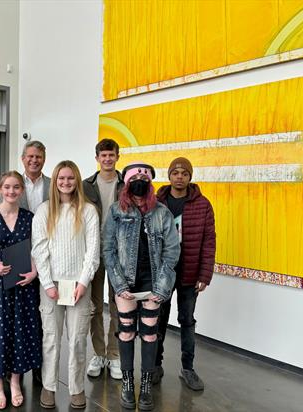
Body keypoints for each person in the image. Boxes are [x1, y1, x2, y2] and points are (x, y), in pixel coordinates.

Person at [103, 162, 180, 411]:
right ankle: (128, 384)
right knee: (126, 331)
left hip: (152, 283)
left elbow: (172, 251)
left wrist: (162, 287)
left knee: (149, 333)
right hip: (125, 282)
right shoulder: (116, 211)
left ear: (151, 183)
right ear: (126, 183)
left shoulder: (162, 213)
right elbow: (108, 250)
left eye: (144, 179)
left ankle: (145, 386)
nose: (139, 182)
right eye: (134, 178)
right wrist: (118, 283)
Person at [32, 160, 100, 410]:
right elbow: (39, 250)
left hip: (79, 286)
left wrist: (83, 282)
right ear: (55, 181)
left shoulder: (88, 211)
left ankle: (76, 388)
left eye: (71, 178)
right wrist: (47, 283)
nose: (66, 182)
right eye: (61, 178)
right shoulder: (44, 210)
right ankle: (49, 386)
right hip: (51, 285)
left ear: (77, 180)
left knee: (78, 340)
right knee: (51, 339)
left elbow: (92, 251)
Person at [0, 171, 42, 410]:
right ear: (0, 189)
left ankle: (15, 382)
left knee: (20, 331)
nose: (11, 191)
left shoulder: (30, 218)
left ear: (22, 190)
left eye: (16, 187)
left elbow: (37, 249)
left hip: (23, 284)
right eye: (7, 187)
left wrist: (34, 272)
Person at [154, 157, 216, 390]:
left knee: (187, 320)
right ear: (169, 175)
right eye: (175, 173)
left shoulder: (203, 204)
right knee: (158, 319)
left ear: (190, 176)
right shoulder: (157, 202)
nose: (179, 177)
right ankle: (155, 365)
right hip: (163, 272)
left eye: (184, 173)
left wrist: (205, 275)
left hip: (190, 273)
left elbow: (209, 241)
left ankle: (187, 369)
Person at [82, 138, 124, 379]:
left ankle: (114, 354)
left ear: (118, 156)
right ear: (97, 158)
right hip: (94, 252)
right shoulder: (86, 186)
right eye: (103, 155)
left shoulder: (126, 184)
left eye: (111, 155)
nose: (107, 159)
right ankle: (98, 353)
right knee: (95, 306)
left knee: (119, 305)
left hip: (119, 253)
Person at [19, 140, 51, 213]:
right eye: (31, 156)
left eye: (38, 157)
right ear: (23, 159)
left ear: (44, 160)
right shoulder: (12, 185)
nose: (34, 160)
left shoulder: (54, 184)